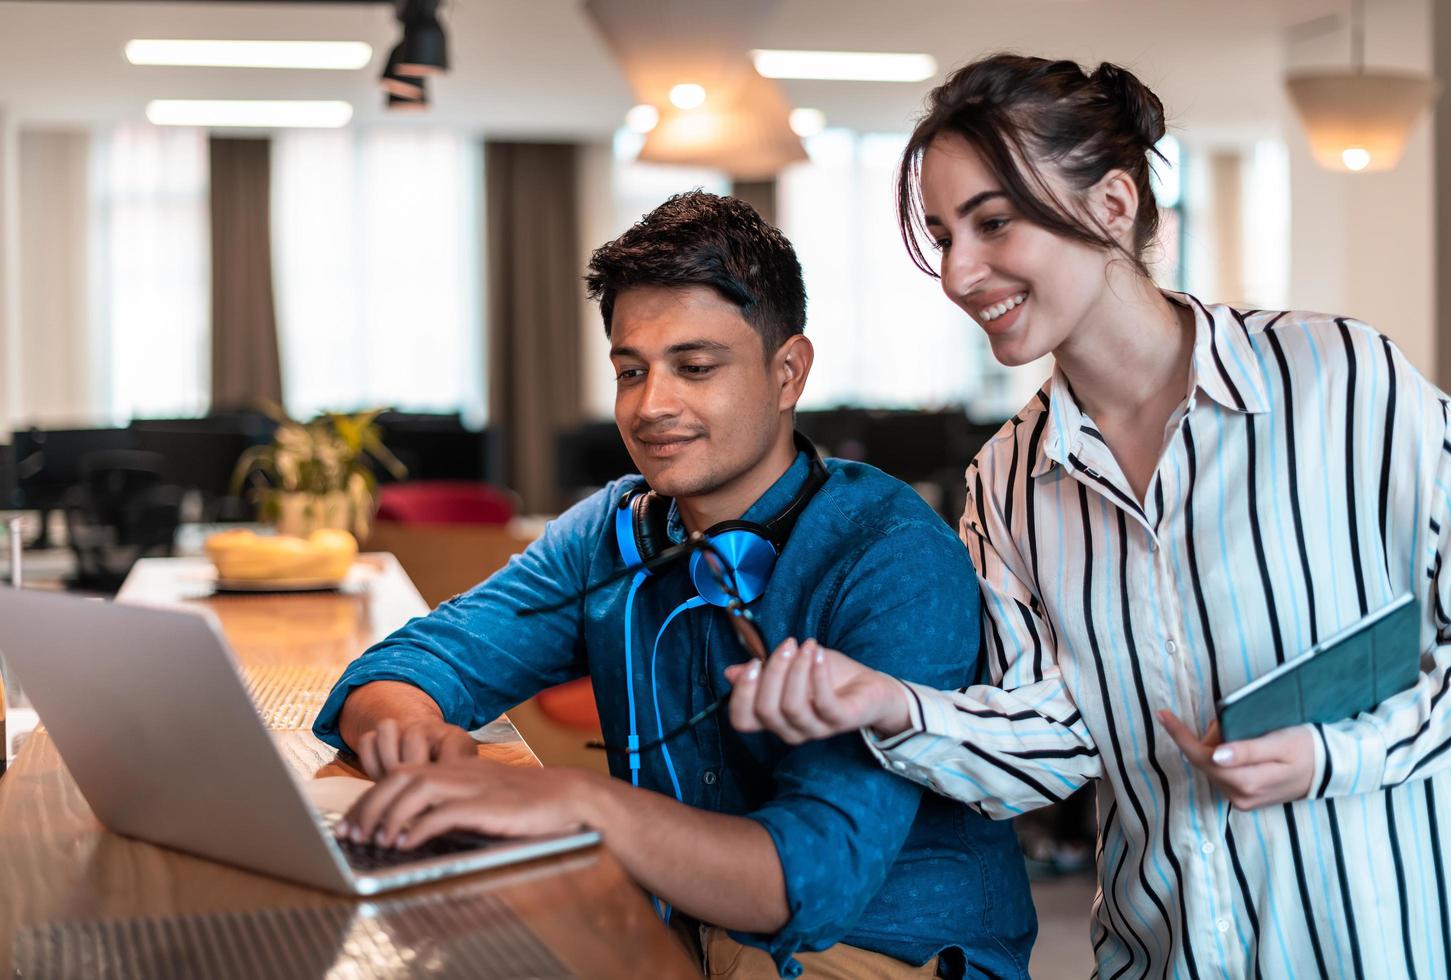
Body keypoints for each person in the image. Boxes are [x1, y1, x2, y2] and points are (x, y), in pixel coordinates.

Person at [725, 54, 1451, 979]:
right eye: (942, 234)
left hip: (1392, 946)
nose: (958, 272)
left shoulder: (1344, 382)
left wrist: (1334, 757)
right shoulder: (1006, 479)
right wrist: (883, 702)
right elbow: (1050, 746)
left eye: (992, 223)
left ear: (1114, 206)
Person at [313, 191, 1035, 979]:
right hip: (674, 915)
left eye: (694, 368)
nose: (652, 406)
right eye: (631, 371)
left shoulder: (892, 556)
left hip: (873, 945)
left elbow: (810, 883)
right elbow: (409, 666)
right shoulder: (615, 530)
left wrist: (582, 806)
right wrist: (408, 729)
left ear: (788, 372)